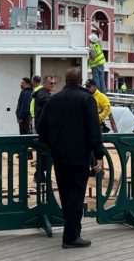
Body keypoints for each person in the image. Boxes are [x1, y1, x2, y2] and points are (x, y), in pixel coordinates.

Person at [39, 67, 105, 248]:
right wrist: (99, 154)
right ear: (80, 81)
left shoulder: (54, 99)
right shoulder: (86, 99)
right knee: (76, 195)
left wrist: (53, 144)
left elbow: (41, 128)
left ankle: (71, 233)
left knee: (65, 194)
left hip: (59, 155)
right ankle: (71, 236)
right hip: (80, 155)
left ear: (66, 81)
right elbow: (94, 130)